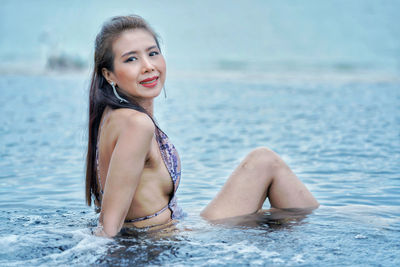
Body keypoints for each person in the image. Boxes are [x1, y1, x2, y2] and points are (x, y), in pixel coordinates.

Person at [85, 15, 319, 238]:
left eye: (153, 53)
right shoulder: (137, 124)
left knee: (264, 166)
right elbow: (108, 228)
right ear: (109, 74)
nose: (148, 66)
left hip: (175, 230)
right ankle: (324, 228)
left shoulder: (111, 116)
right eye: (131, 59)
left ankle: (339, 217)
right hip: (170, 242)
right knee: (265, 161)